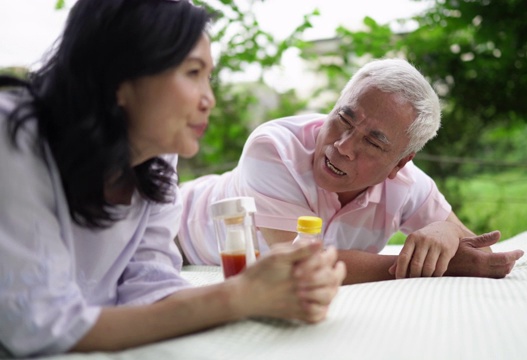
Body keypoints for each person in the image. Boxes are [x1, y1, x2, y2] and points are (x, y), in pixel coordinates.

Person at [0, 0, 345, 357]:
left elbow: (150, 285)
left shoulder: (154, 155)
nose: (208, 99)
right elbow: (40, 326)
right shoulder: (12, 138)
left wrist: (277, 289)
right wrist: (240, 296)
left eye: (208, 77)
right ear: (120, 76)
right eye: (192, 73)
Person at [177, 58, 525, 285]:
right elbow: (300, 266)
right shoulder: (273, 149)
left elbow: (481, 255)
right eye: (344, 118)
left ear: (401, 162)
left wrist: (446, 233)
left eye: (373, 142)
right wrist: (441, 265)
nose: (343, 146)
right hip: (175, 228)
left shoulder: (409, 184)